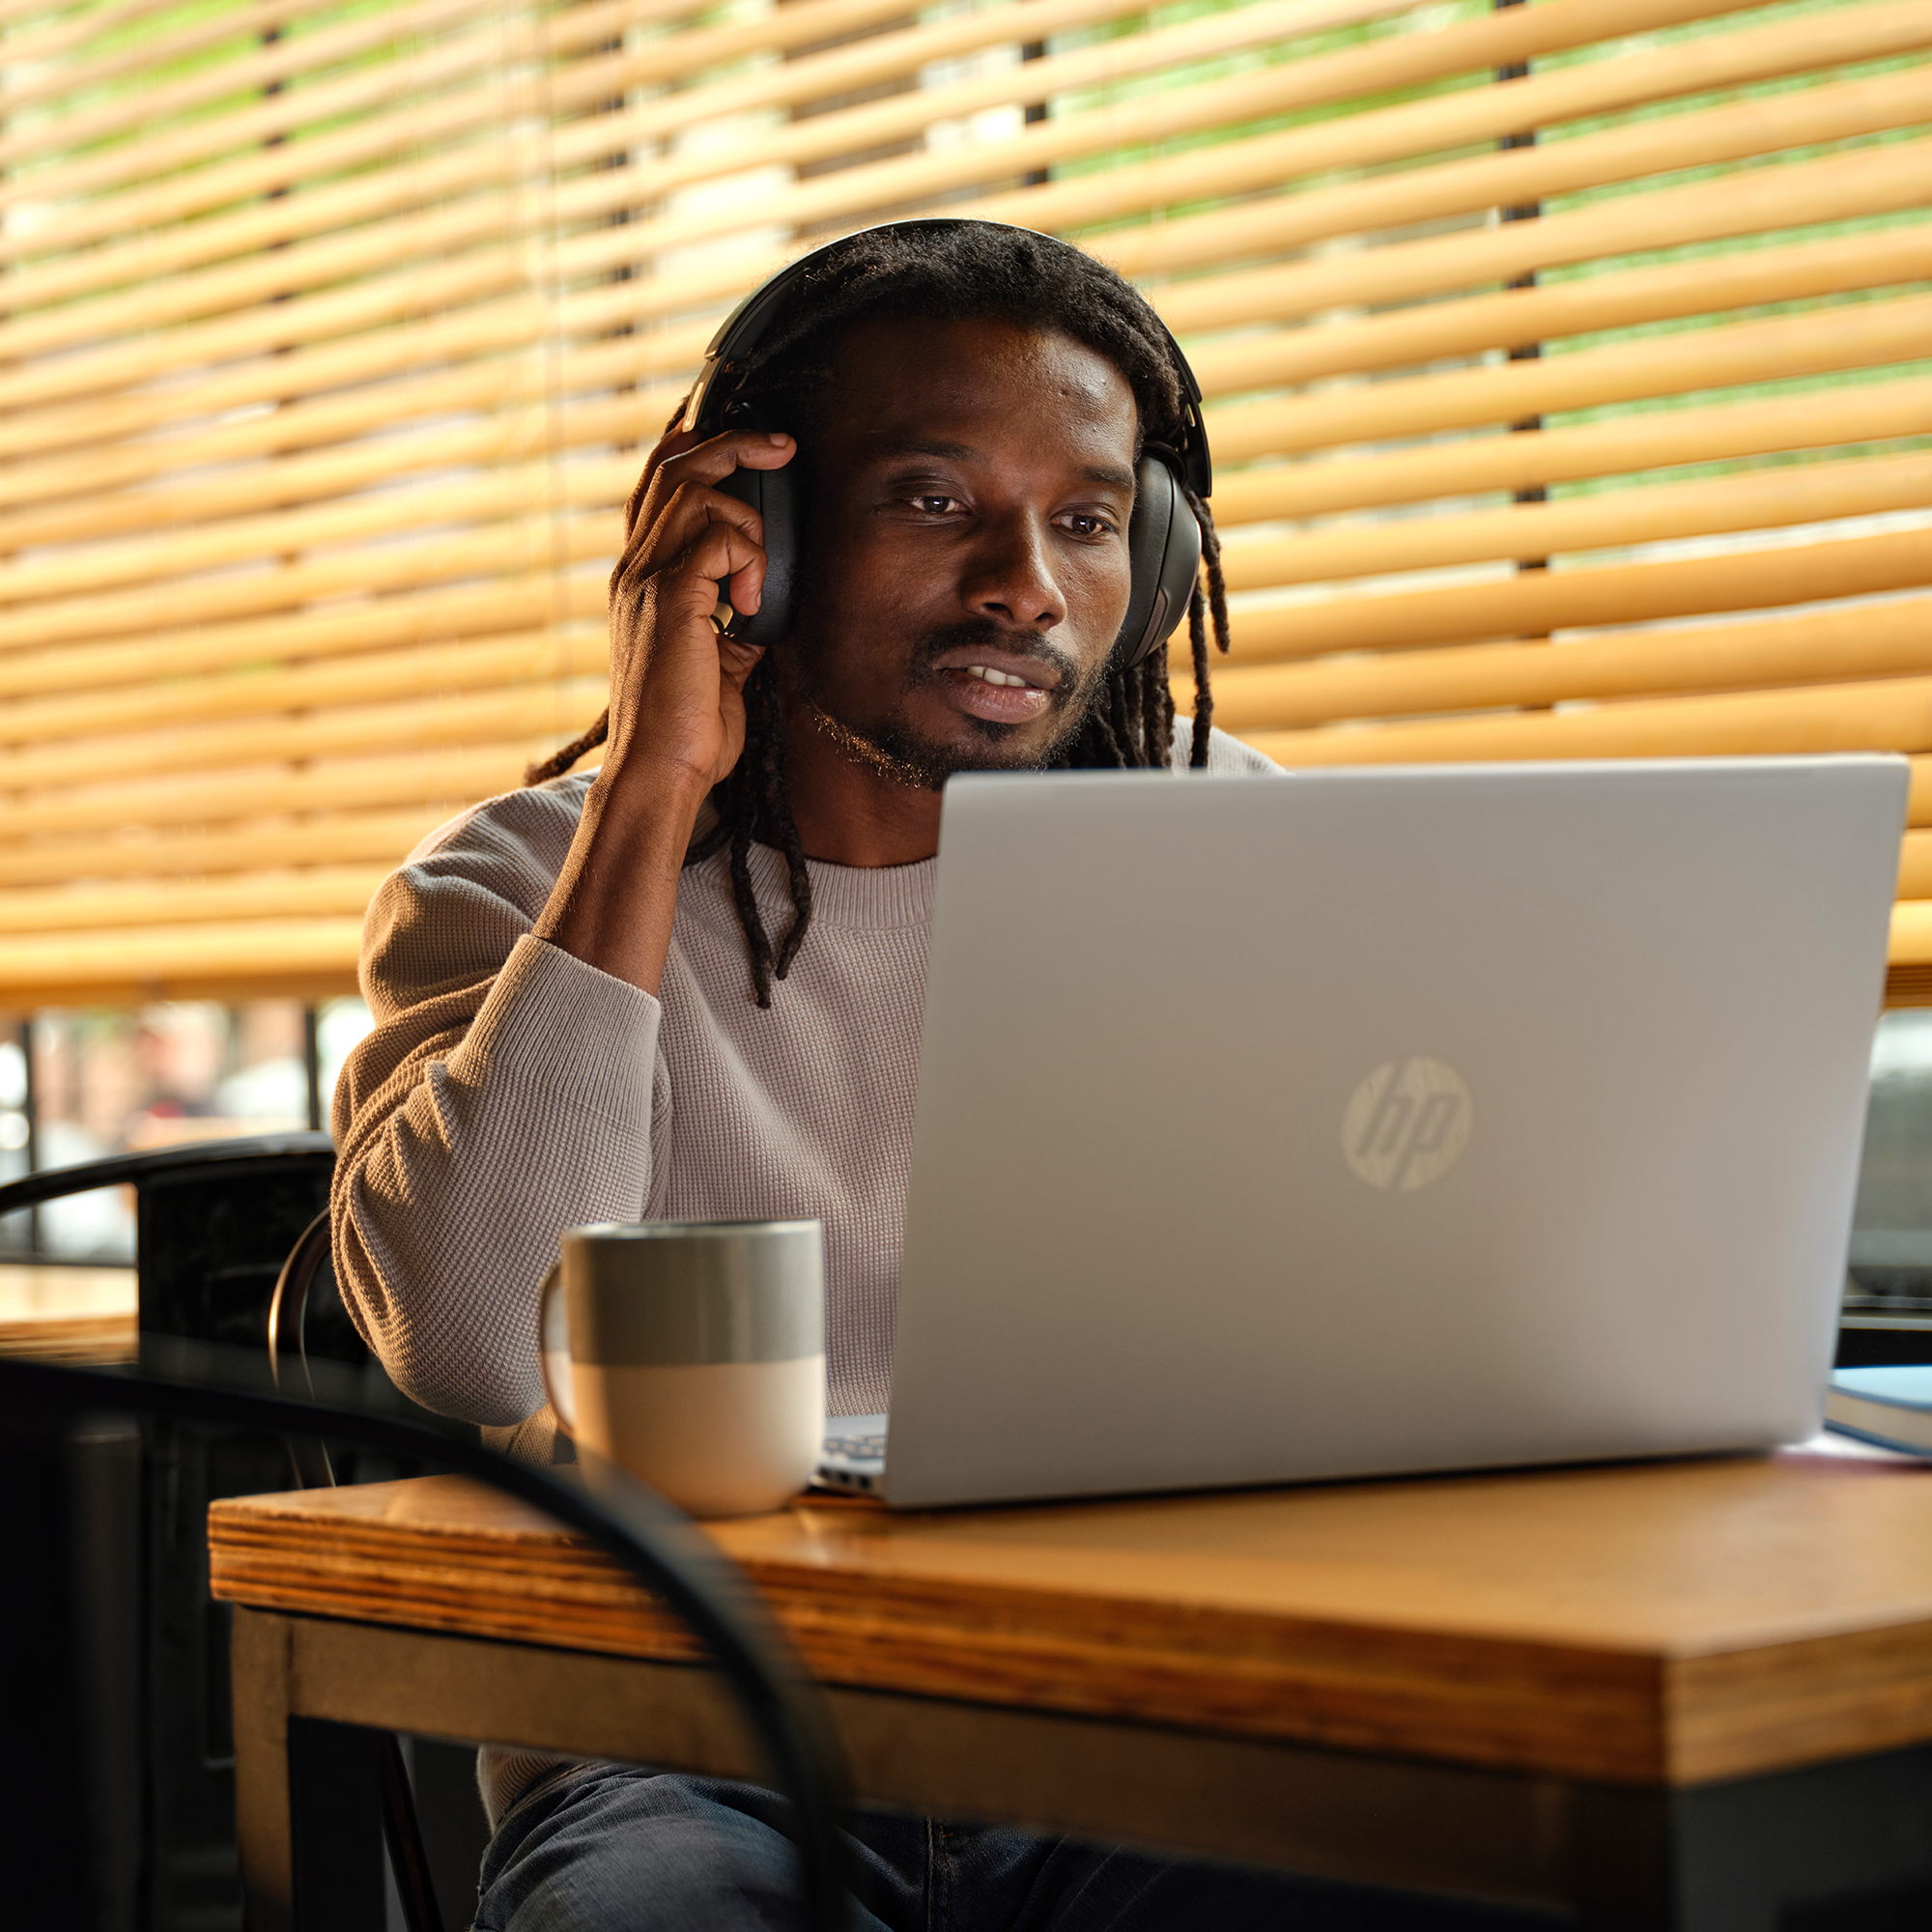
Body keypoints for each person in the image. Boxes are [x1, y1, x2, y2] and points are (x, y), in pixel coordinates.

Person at [330, 222, 1559, 1931]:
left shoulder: (1242, 845)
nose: (1028, 588)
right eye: (934, 500)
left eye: (1086, 519)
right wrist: (655, 784)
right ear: (752, 538)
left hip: (1148, 1712)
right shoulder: (512, 884)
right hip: (690, 1743)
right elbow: (470, 1337)